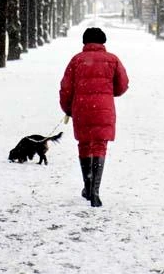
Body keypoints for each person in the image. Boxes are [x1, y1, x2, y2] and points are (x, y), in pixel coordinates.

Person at [59, 26, 128, 207]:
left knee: (84, 145)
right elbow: (122, 85)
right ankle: (95, 192)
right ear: (103, 41)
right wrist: (107, 92)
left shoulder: (76, 60)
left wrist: (67, 109)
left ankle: (88, 187)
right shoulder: (112, 60)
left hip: (81, 108)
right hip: (104, 109)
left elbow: (66, 88)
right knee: (99, 146)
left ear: (85, 42)